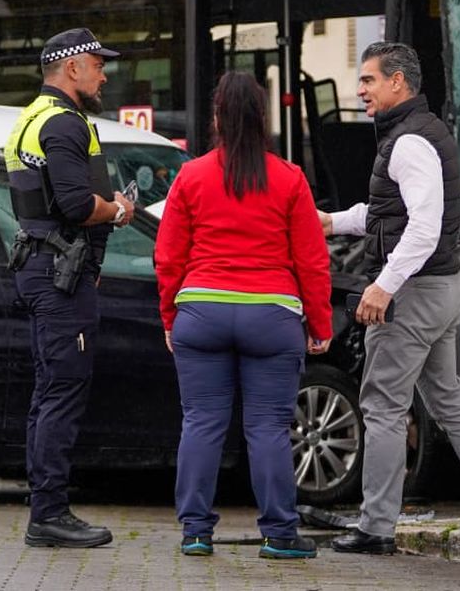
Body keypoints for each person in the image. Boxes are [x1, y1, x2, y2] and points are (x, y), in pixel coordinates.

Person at [322, 42, 460, 555]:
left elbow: (424, 228)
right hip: (441, 288)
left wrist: (383, 285)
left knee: (382, 404)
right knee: (448, 398)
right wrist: (332, 222)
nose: (360, 90)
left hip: (413, 293)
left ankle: (376, 528)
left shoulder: (408, 142)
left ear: (397, 82)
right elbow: (389, 214)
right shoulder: (419, 133)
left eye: (368, 80)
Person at [155, 72, 332, 561]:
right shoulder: (289, 178)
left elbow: (168, 257)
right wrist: (320, 325)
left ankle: (195, 531)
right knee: (269, 427)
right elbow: (312, 260)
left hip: (202, 312)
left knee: (201, 422)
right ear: (262, 119)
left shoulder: (191, 176)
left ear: (216, 118)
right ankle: (279, 534)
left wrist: (170, 317)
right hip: (271, 317)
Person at [4, 27, 135, 549]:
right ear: (72, 67)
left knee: (49, 391)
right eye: (98, 65)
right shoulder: (62, 123)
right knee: (63, 392)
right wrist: (118, 210)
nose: (104, 76)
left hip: (45, 267)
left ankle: (46, 508)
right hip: (60, 277)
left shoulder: (32, 117)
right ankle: (50, 514)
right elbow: (77, 204)